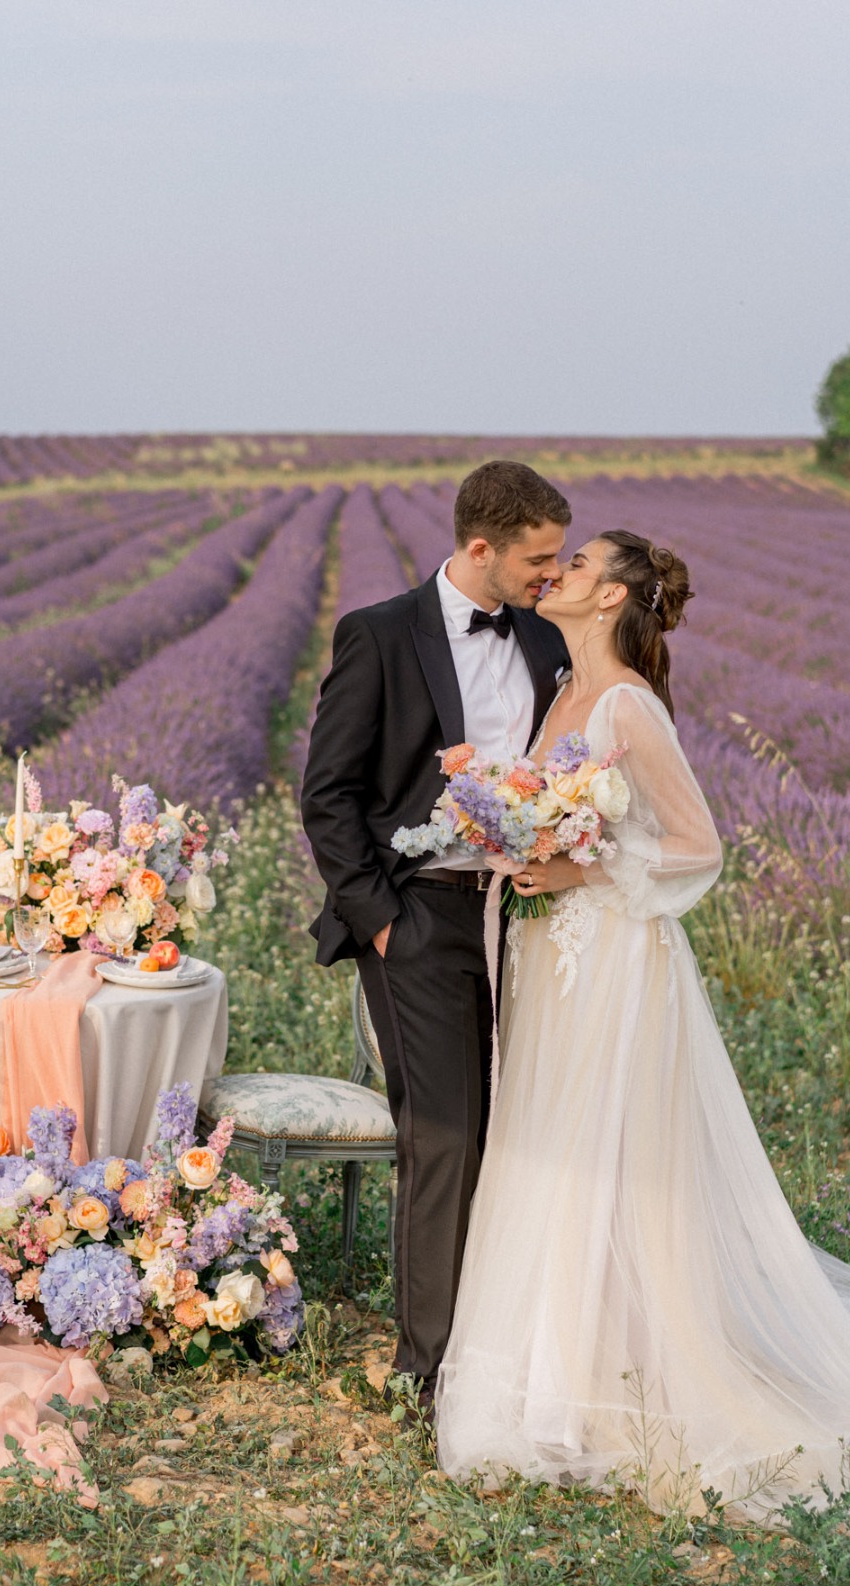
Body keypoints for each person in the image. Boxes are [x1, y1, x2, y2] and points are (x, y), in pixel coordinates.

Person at [436, 529, 850, 1518]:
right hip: (553, 958)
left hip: (612, 959)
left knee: (612, 1152)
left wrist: (579, 867)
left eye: (582, 564)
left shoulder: (628, 705)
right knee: (554, 1146)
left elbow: (695, 847)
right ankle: (560, 1365)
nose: (560, 572)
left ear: (613, 598)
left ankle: (623, 1372)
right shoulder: (562, 691)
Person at [302, 461, 569, 1413]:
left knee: (526, 1129)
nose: (553, 574)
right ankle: (430, 1370)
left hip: (537, 919)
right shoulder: (378, 635)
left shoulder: (548, 641)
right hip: (422, 916)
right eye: (539, 559)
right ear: (480, 547)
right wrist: (381, 924)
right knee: (448, 1134)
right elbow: (326, 795)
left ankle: (512, 1342)